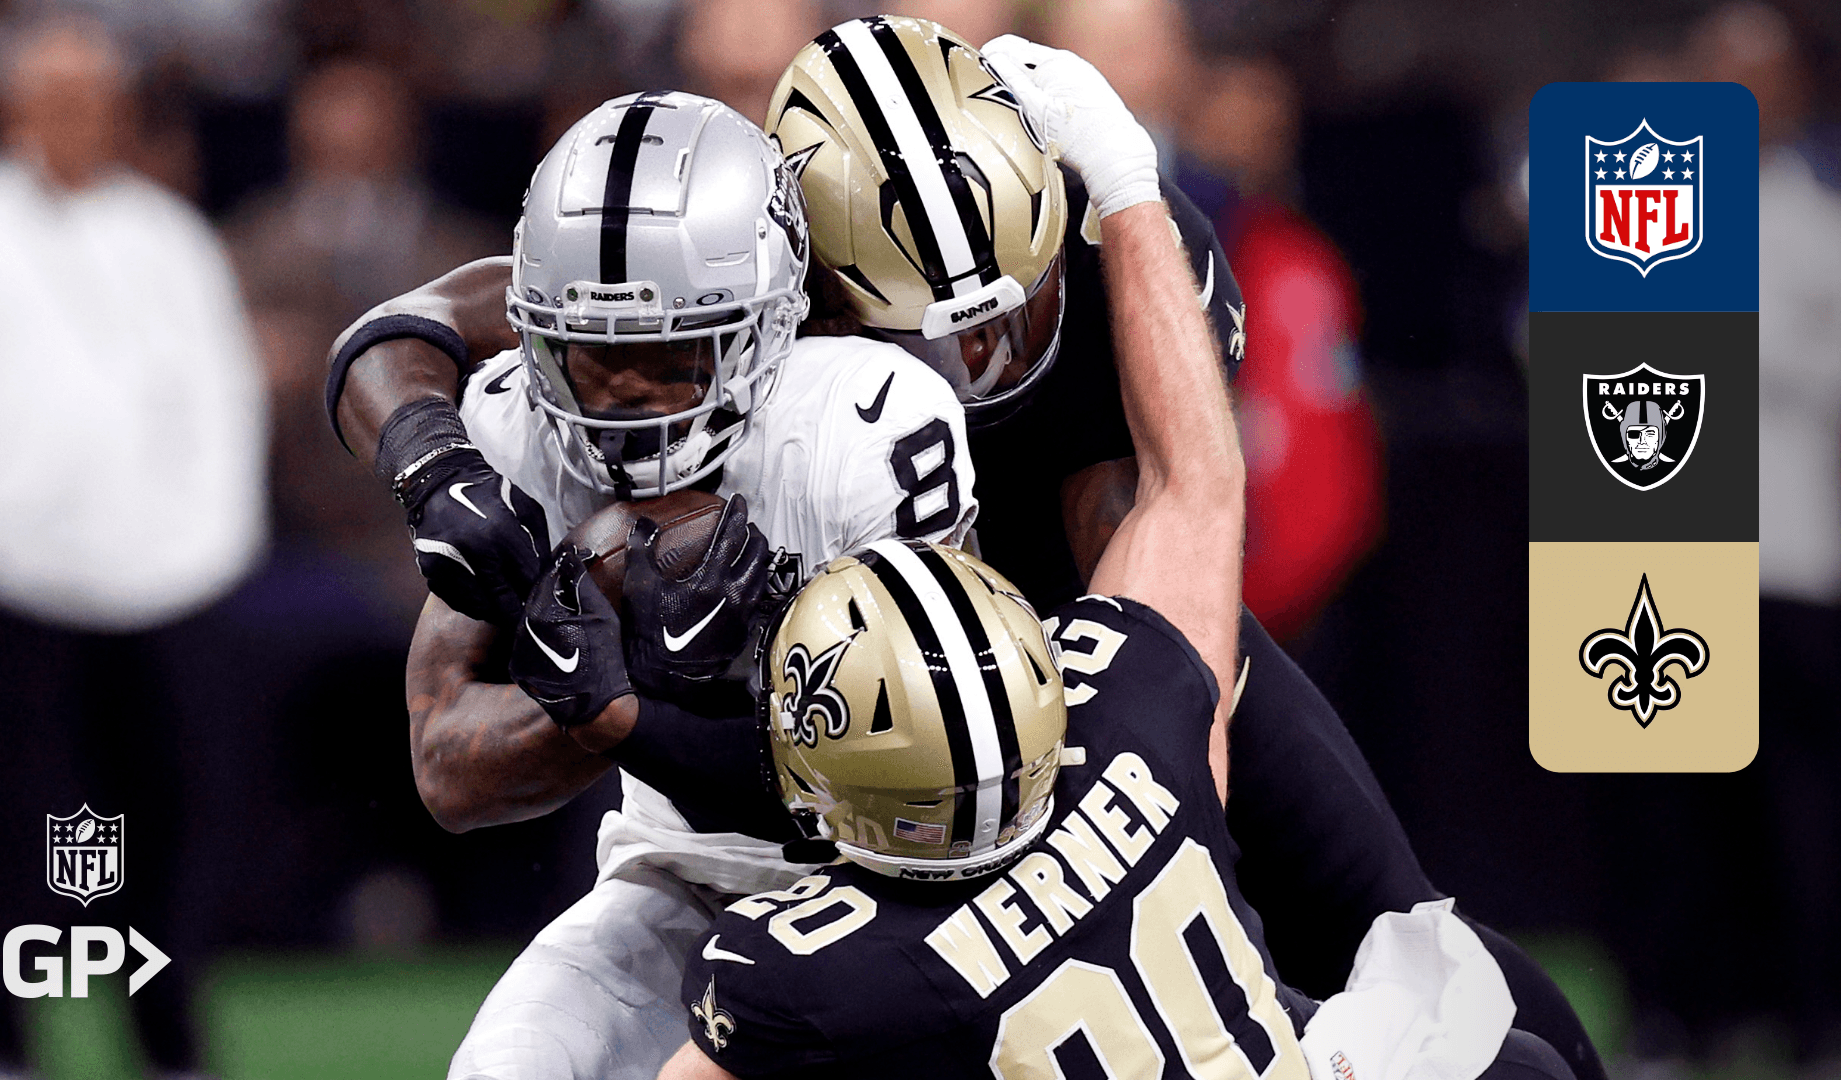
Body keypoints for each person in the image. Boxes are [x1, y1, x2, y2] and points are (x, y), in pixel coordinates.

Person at [327, 19, 1600, 1079]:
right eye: (925, 328)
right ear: (800, 272)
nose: (973, 360)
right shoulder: (690, 323)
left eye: (1008, 309)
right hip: (883, 782)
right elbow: (463, 320)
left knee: (1427, 964)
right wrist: (430, 453)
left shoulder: (1041, 311)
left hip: (1071, 698)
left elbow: (1167, 535)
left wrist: (628, 707)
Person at [646, 180, 1557, 1080]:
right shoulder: (1132, 711)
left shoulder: (817, 969)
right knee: (1519, 1055)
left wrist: (629, 714)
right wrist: (1122, 176)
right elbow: (1194, 485)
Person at [330, 90, 980, 1080]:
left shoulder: (862, 421)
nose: (627, 396)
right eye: (593, 355)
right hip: (684, 879)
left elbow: (929, 782)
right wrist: (433, 460)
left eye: (671, 351)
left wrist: (636, 707)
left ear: (769, 321)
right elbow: (448, 770)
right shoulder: (519, 425)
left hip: (909, 890)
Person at [0, 15, 265, 1078]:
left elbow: (222, 398)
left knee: (172, 825)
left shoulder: (168, 237)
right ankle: (0, 1042)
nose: (77, 123)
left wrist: (213, 545)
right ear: (13, 112)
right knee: (9, 832)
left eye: (95, 104)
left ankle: (167, 1040)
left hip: (169, 582)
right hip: (15, 585)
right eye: (56, 102)